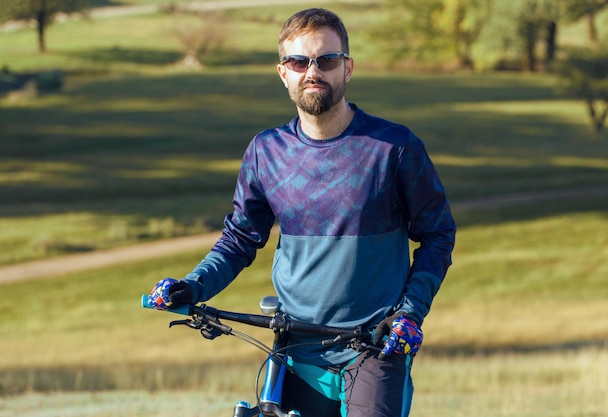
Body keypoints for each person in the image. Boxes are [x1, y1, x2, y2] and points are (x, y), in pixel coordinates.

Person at [147, 8, 455, 417]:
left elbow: (437, 235)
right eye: (299, 61)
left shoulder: (393, 148)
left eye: (327, 60)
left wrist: (410, 313)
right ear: (283, 72)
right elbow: (240, 239)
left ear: (348, 68)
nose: (313, 71)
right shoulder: (265, 151)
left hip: (375, 346)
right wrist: (193, 286)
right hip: (292, 345)